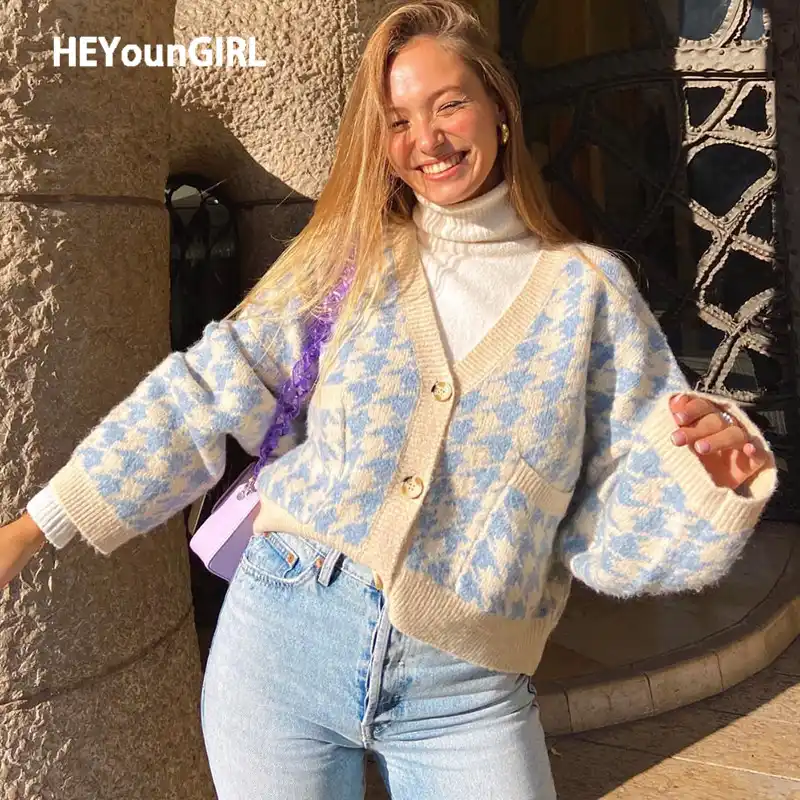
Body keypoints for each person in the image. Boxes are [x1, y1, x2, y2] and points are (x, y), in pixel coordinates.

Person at [0, 2, 777, 798]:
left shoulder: (588, 294)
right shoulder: (351, 257)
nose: (428, 140)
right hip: (282, 639)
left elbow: (612, 516)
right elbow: (202, 392)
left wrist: (709, 479)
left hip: (468, 691)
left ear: (499, 108)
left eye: (449, 105)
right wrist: (33, 528)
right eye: (398, 121)